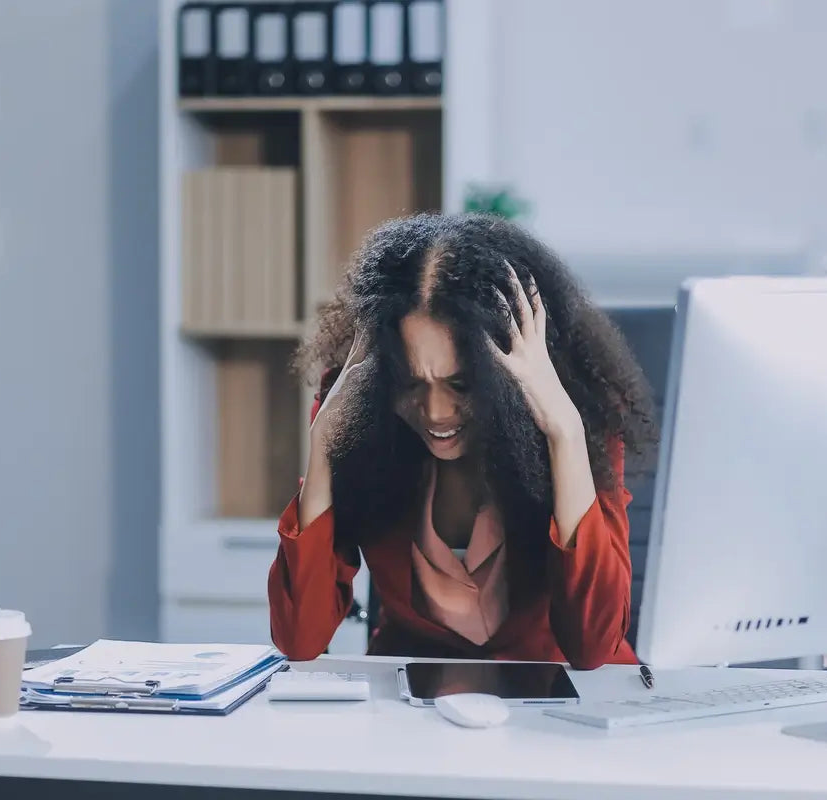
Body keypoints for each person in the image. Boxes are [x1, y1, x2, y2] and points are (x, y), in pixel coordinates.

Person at [268, 213, 659, 669]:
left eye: (462, 385)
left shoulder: (580, 422)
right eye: (410, 384)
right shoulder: (355, 412)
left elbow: (592, 648)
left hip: (562, 701)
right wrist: (322, 450)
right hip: (414, 705)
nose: (435, 412)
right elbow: (299, 638)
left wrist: (564, 435)